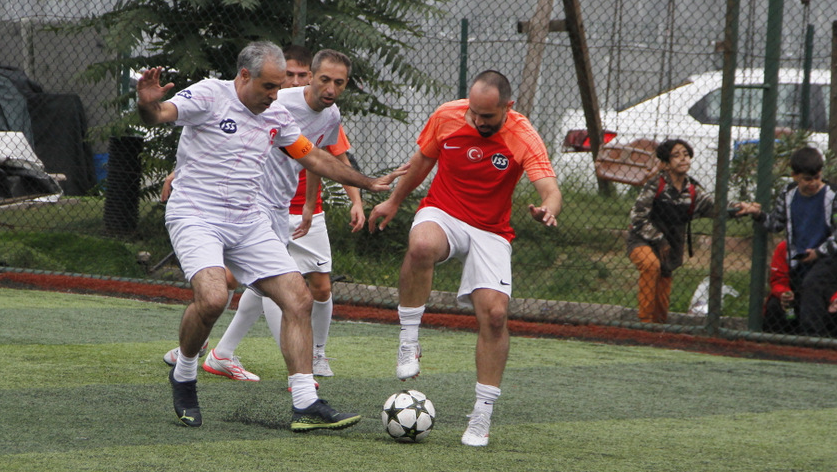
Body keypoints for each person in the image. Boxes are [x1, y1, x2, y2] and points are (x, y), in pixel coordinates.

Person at [136, 40, 395, 431]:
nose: (276, 95)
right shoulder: (209, 94)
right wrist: (147, 103)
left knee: (299, 298)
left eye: (279, 86)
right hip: (195, 214)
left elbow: (312, 156)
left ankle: (305, 402)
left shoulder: (276, 115)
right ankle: (185, 372)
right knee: (213, 298)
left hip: (248, 220)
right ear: (244, 76)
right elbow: (160, 114)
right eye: (269, 86)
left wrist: (367, 182)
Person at [368, 70, 561, 448]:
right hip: (444, 212)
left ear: (508, 107)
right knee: (421, 246)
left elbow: (550, 189)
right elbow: (422, 162)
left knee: (496, 315)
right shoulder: (447, 116)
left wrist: (548, 209)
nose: (477, 120)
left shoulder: (523, 135)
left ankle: (482, 413)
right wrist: (394, 201)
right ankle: (409, 340)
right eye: (473, 112)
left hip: (491, 230)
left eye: (487, 116)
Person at [196, 49, 369, 380]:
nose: (330, 88)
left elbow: (315, 158)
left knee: (273, 286)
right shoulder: (276, 103)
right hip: (252, 202)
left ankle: (221, 353)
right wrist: (185, 170)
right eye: (324, 79)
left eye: (339, 82)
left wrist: (311, 205)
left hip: (284, 207)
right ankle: (300, 376)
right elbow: (226, 131)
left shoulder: (331, 116)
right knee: (275, 284)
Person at [733, 146, 837, 338]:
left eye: (817, 177)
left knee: (812, 285)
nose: (813, 183)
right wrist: (757, 214)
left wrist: (819, 252)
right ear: (795, 176)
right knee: (799, 299)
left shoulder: (834, 195)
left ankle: (812, 339)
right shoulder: (788, 193)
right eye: (807, 179)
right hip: (803, 260)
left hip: (836, 257)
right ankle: (801, 337)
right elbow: (776, 223)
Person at [626, 139, 717, 324]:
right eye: (676, 155)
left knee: (664, 278)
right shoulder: (655, 184)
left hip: (671, 244)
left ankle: (659, 326)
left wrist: (742, 207)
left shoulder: (692, 189)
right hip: (642, 240)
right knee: (651, 265)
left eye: (686, 154)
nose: (683, 159)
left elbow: (715, 206)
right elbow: (637, 217)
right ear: (666, 164)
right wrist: (659, 239)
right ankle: (645, 322)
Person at [763, 240, 837, 339]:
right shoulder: (785, 247)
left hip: (823, 300)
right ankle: (773, 345)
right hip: (793, 301)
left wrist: (835, 299)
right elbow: (778, 280)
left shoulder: (830, 248)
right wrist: (784, 293)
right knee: (776, 307)